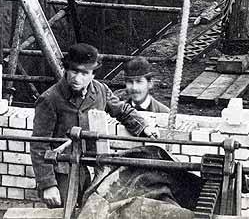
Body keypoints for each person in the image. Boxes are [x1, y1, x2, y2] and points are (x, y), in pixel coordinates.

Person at [31, 43, 158, 208]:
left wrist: (143, 127)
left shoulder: (99, 91)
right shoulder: (50, 99)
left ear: (93, 74)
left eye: (84, 73)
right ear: (66, 69)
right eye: (74, 71)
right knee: (63, 213)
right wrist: (48, 184)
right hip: (63, 173)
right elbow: (39, 144)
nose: (78, 78)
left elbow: (122, 110)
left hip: (91, 169)